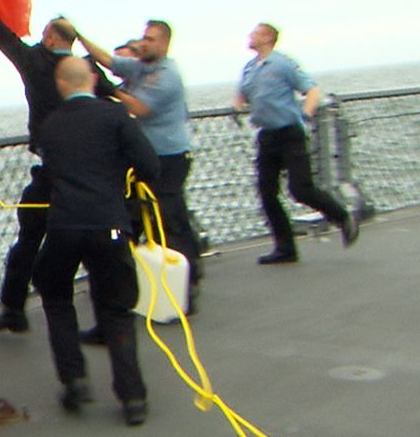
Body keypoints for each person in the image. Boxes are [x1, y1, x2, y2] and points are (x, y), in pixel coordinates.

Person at [0, 0, 112, 333]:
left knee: (30, 237)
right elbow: (117, 101)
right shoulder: (88, 68)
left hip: (52, 171)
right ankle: (110, 317)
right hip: (95, 172)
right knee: (97, 242)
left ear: (48, 37)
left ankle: (14, 308)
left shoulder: (34, 62)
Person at [33, 56, 163, 426]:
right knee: (116, 309)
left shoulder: (50, 126)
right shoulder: (116, 116)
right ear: (92, 79)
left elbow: (49, 171)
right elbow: (149, 165)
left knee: (56, 295)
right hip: (108, 223)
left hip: (64, 226)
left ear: (61, 83)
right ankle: (132, 397)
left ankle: (74, 379)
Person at [77, 19, 202, 316]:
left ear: (165, 43)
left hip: (170, 158)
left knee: (167, 222)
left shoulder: (167, 76)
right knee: (137, 217)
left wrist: (109, 91)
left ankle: (184, 290)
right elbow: (109, 60)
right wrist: (80, 36)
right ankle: (136, 286)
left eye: (151, 39)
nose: (144, 44)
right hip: (145, 159)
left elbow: (140, 108)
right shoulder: (141, 68)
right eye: (143, 38)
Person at [232, 23, 358, 264]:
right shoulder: (250, 68)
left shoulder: (282, 64)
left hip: (289, 133)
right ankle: (285, 248)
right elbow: (242, 93)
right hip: (267, 135)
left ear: (267, 38)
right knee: (267, 193)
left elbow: (311, 90)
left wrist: (307, 114)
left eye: (255, 33)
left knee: (300, 188)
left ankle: (342, 217)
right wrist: (236, 106)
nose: (250, 36)